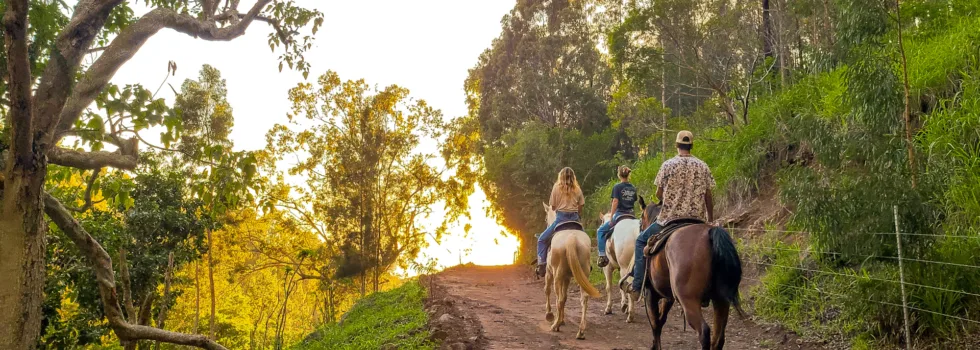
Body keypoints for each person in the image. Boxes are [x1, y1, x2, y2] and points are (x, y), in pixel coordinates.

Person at [626, 130, 715, 298]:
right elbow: (708, 197)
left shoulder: (668, 165)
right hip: (697, 221)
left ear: (677, 145)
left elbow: (659, 195)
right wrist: (710, 220)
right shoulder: (703, 166)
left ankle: (637, 286)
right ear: (691, 145)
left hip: (669, 219)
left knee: (640, 241)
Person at [536, 167, 586, 277]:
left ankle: (542, 264)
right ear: (573, 176)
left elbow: (553, 207)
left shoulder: (556, 187)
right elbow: (581, 205)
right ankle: (587, 263)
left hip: (560, 219)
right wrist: (576, 212)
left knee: (541, 239)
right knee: (585, 240)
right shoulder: (577, 188)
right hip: (574, 219)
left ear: (561, 176)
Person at [596, 165, 638, 268]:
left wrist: (611, 217)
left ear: (619, 175)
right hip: (631, 215)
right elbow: (634, 201)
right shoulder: (633, 188)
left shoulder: (617, 187)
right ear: (629, 175)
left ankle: (602, 255)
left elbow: (615, 201)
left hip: (620, 214)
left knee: (600, 231)